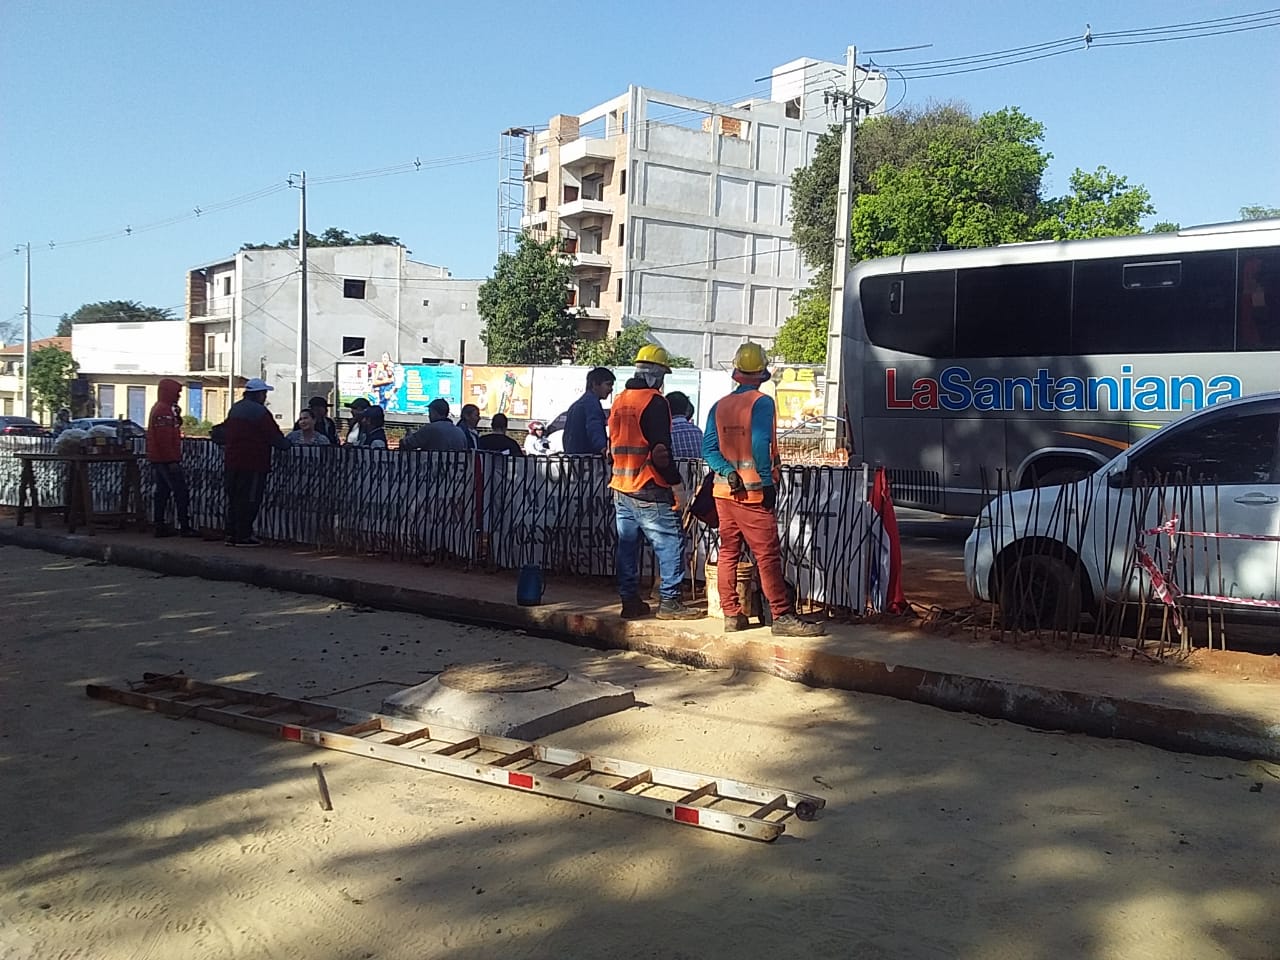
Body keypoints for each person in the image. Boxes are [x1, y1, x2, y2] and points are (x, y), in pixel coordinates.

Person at [703, 343, 825, 637]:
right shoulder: (762, 402)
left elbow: (708, 449)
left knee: (729, 552)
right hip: (753, 494)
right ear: (761, 372)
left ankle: (732, 615)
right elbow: (759, 444)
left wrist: (728, 472)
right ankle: (781, 616)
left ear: (737, 372)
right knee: (767, 555)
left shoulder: (719, 406)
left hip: (723, 494)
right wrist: (767, 483)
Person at [608, 345, 701, 621]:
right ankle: (670, 601)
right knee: (671, 541)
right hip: (648, 485)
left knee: (628, 546)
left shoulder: (620, 400)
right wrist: (676, 483)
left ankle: (629, 601)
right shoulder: (656, 401)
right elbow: (660, 452)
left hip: (621, 486)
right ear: (658, 375)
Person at [210, 378, 291, 547]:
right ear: (259, 394)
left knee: (234, 498)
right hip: (254, 462)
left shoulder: (235, 408)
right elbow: (274, 436)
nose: (265, 396)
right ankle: (244, 535)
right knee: (250, 499)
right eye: (264, 393)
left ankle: (232, 533)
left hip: (232, 461)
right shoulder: (259, 412)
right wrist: (286, 444)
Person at [147, 378, 198, 538]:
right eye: (177, 393)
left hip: (159, 458)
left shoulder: (162, 409)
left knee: (162, 492)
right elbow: (164, 439)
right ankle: (184, 526)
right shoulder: (163, 411)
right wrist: (172, 460)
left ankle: (159, 525)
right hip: (166, 459)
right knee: (180, 492)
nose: (178, 396)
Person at [562, 367, 614, 455]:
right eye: (608, 385)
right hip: (587, 460)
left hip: (574, 459)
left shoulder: (576, 405)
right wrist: (603, 448)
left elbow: (566, 436)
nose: (611, 389)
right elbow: (594, 426)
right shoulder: (592, 404)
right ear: (594, 384)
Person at [400, 398, 466, 452]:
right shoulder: (460, 432)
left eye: (429, 412)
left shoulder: (430, 429)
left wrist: (408, 436)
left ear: (434, 412)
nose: (429, 416)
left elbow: (406, 444)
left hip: (433, 467)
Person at [666, 391, 703, 460]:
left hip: (671, 470)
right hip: (697, 470)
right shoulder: (698, 432)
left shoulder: (665, 433)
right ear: (687, 409)